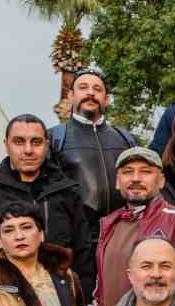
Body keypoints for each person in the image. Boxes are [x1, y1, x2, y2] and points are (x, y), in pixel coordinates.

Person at [0, 113, 94, 303]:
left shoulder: (67, 192)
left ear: (46, 145)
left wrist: (80, 305)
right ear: (6, 145)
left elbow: (83, 256)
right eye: (19, 142)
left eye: (36, 142)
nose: (28, 150)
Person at [92, 148, 175, 306]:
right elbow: (102, 286)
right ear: (117, 182)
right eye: (127, 172)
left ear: (161, 181)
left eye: (145, 172)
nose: (135, 178)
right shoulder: (108, 224)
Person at [48, 65, 136, 224]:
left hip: (121, 235)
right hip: (76, 239)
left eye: (97, 89)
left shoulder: (125, 139)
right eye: (83, 87)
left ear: (106, 99)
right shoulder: (54, 137)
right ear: (71, 95)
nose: (90, 92)